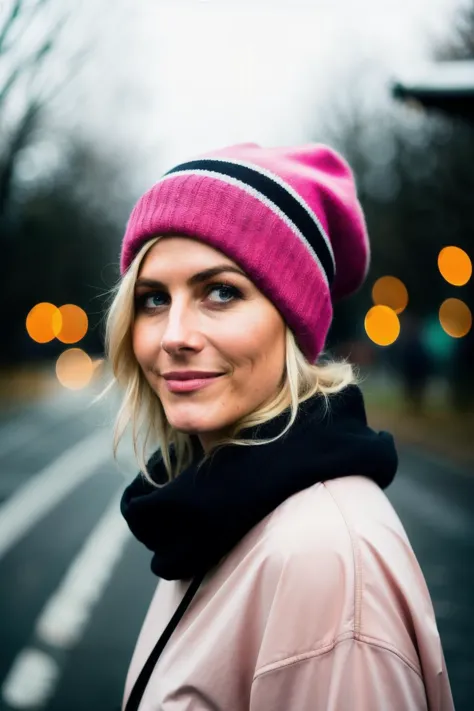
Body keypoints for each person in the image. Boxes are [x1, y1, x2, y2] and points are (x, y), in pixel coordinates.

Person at [106, 143, 454, 710]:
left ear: (294, 325)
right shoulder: (208, 513)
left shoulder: (323, 558)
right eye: (152, 299)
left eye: (220, 292)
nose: (173, 335)